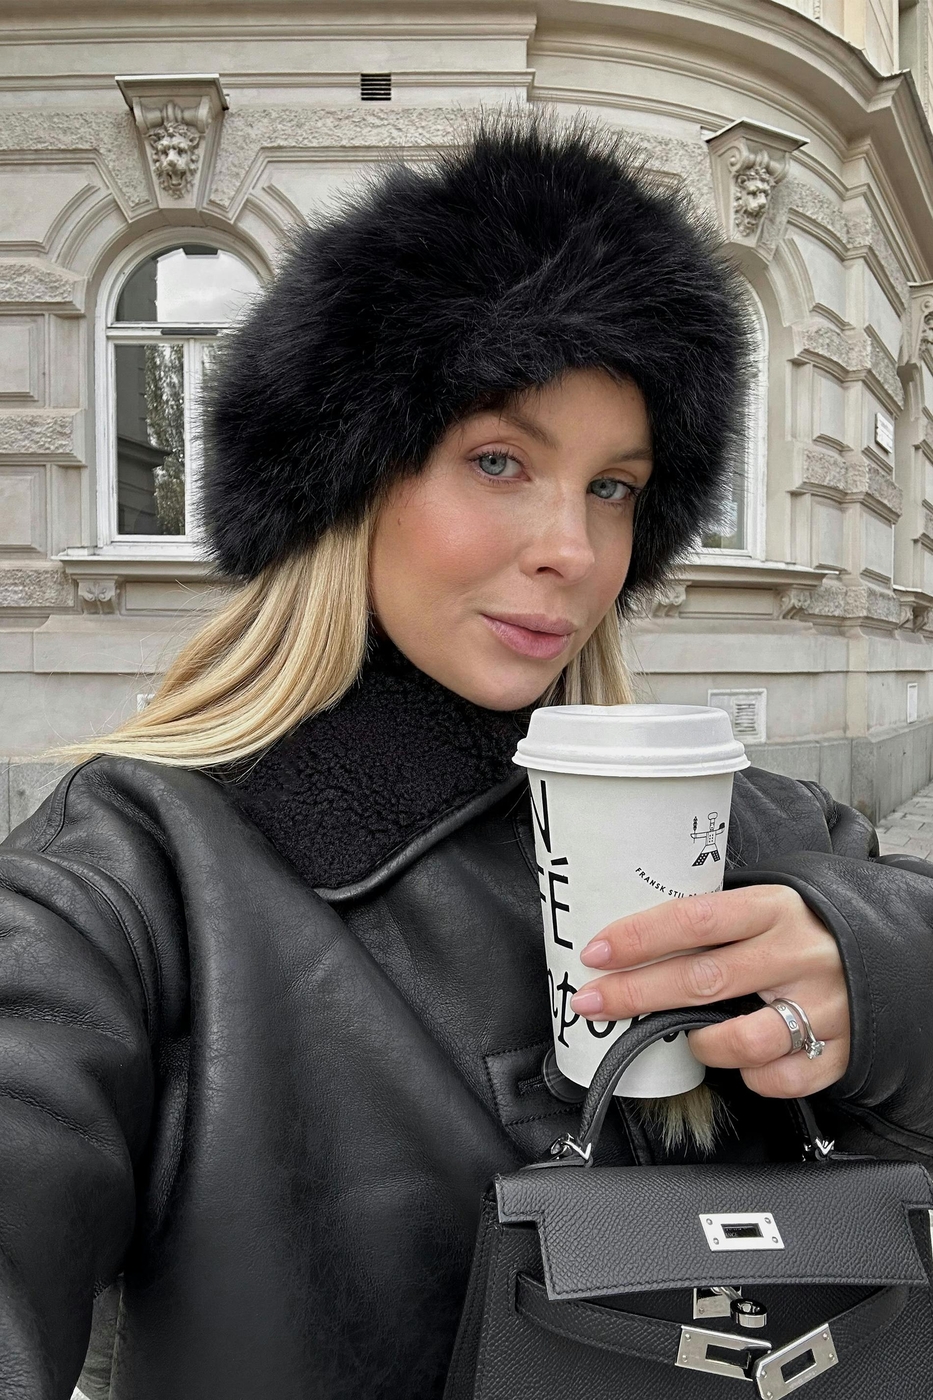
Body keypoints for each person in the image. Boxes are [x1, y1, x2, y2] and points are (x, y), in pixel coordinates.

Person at [2, 106, 932, 1400]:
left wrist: (877, 980)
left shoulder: (761, 828)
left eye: (613, 487)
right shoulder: (137, 876)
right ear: (349, 481)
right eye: (498, 460)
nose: (572, 550)